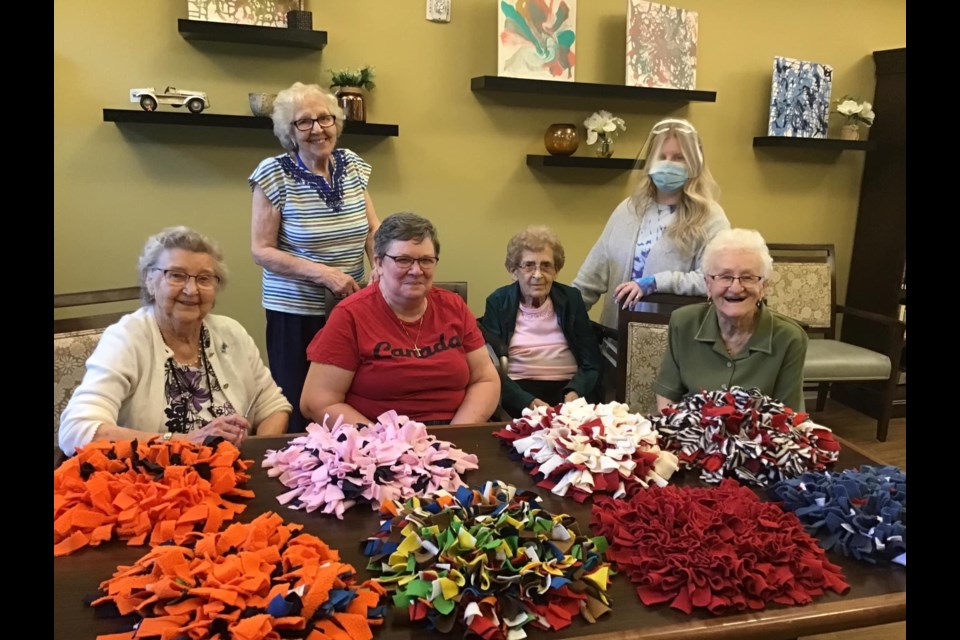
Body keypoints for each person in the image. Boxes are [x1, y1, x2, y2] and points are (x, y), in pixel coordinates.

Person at [58, 226, 292, 457]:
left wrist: (253, 454)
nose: (191, 290)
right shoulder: (126, 338)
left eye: (204, 279)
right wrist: (185, 443)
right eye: (176, 275)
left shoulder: (231, 333)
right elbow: (78, 431)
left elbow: (273, 407)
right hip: (151, 484)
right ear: (150, 280)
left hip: (231, 475)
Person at [249, 81, 381, 432]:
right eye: (304, 122)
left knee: (345, 400)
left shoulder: (352, 165)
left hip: (349, 307)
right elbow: (261, 250)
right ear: (289, 132)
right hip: (295, 313)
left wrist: (380, 264)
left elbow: (372, 229)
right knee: (298, 402)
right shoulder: (273, 174)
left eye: (325, 118)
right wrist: (324, 274)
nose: (318, 129)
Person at [301, 212, 501, 426]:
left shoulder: (454, 307)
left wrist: (456, 435)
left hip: (455, 431)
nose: (416, 270)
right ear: (378, 263)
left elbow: (485, 379)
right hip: (377, 440)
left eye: (426, 260)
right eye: (403, 260)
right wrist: (389, 444)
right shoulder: (350, 315)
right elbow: (317, 402)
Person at [573, 118, 730, 329]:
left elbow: (714, 281)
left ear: (694, 163)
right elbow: (589, 280)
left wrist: (657, 282)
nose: (668, 165)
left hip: (671, 344)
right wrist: (557, 317)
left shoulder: (710, 217)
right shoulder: (628, 210)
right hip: (615, 340)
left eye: (678, 158)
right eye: (661, 157)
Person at [653, 228, 808, 412]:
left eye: (748, 277)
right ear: (708, 285)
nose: (735, 287)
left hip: (757, 437)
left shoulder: (789, 338)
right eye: (725, 277)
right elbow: (668, 395)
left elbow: (787, 415)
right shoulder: (683, 322)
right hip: (690, 432)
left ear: (763, 287)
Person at [481, 226, 603, 418]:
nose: (538, 275)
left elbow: (592, 361)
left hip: (570, 389)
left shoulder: (571, 299)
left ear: (556, 270)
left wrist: (574, 394)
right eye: (529, 265)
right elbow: (488, 369)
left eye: (546, 265)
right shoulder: (498, 301)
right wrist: (528, 402)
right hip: (519, 390)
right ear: (514, 271)